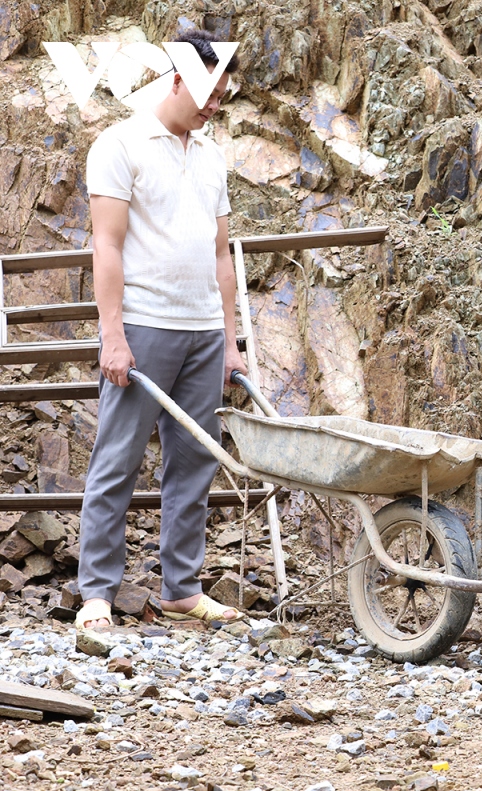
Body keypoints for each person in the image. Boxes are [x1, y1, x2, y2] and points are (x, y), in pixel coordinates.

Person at [75, 30, 247, 629]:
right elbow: (107, 244)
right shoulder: (119, 144)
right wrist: (112, 334)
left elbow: (221, 253)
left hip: (203, 330)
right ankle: (96, 592)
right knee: (117, 458)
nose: (215, 105)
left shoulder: (211, 154)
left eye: (223, 95)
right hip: (145, 326)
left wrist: (230, 340)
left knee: (195, 461)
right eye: (208, 92)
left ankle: (181, 587)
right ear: (176, 79)